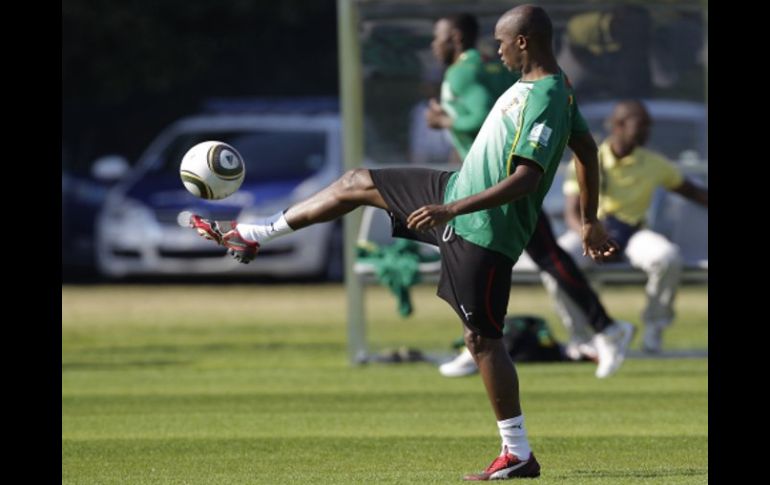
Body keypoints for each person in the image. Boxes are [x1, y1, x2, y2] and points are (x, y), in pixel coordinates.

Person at [187, 5, 627, 480]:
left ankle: (517, 452)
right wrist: (588, 220)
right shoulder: (548, 89)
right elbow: (585, 150)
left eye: (502, 42)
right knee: (357, 181)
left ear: (523, 42)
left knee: (482, 340)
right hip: (452, 193)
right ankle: (253, 235)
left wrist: (453, 211)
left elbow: (527, 177)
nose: (495, 51)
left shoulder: (546, 96)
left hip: (481, 228)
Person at [424, 12, 634, 378]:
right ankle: (478, 341)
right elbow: (584, 147)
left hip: (499, 186)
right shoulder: (516, 74)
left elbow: (477, 118)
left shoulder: (466, 73)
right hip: (491, 182)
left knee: (545, 258)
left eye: (438, 37)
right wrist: (589, 219)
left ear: (455, 38)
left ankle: (605, 328)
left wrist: (444, 122)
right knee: (530, 259)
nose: (433, 45)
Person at [546, 99, 708, 354]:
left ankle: (654, 327)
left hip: (633, 234)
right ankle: (581, 336)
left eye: (648, 126)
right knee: (556, 264)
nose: (647, 131)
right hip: (591, 233)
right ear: (618, 125)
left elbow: (692, 191)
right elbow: (571, 212)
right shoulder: (588, 157)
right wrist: (589, 237)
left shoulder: (654, 163)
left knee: (667, 257)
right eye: (641, 125)